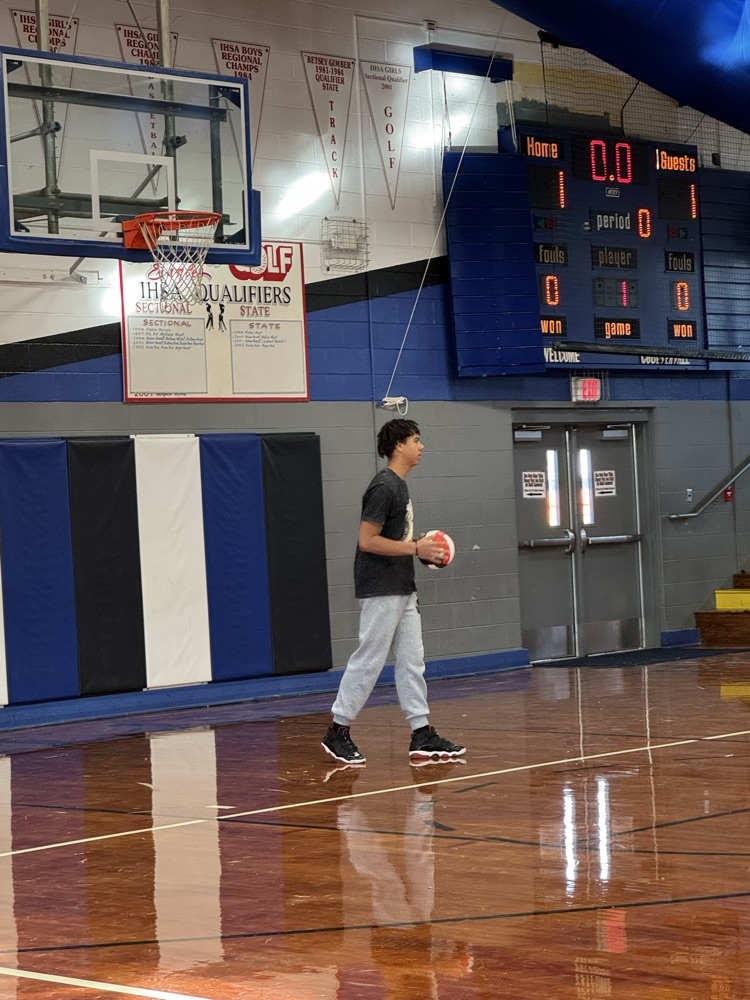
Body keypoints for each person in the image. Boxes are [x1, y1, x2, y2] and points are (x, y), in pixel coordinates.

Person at [321, 418, 466, 765]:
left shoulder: (400, 486)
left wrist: (417, 548)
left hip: (403, 586)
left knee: (412, 662)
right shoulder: (384, 486)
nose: (422, 446)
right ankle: (337, 731)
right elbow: (367, 541)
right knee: (369, 659)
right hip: (381, 587)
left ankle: (421, 734)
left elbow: (395, 540)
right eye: (416, 440)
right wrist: (416, 549)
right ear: (398, 445)